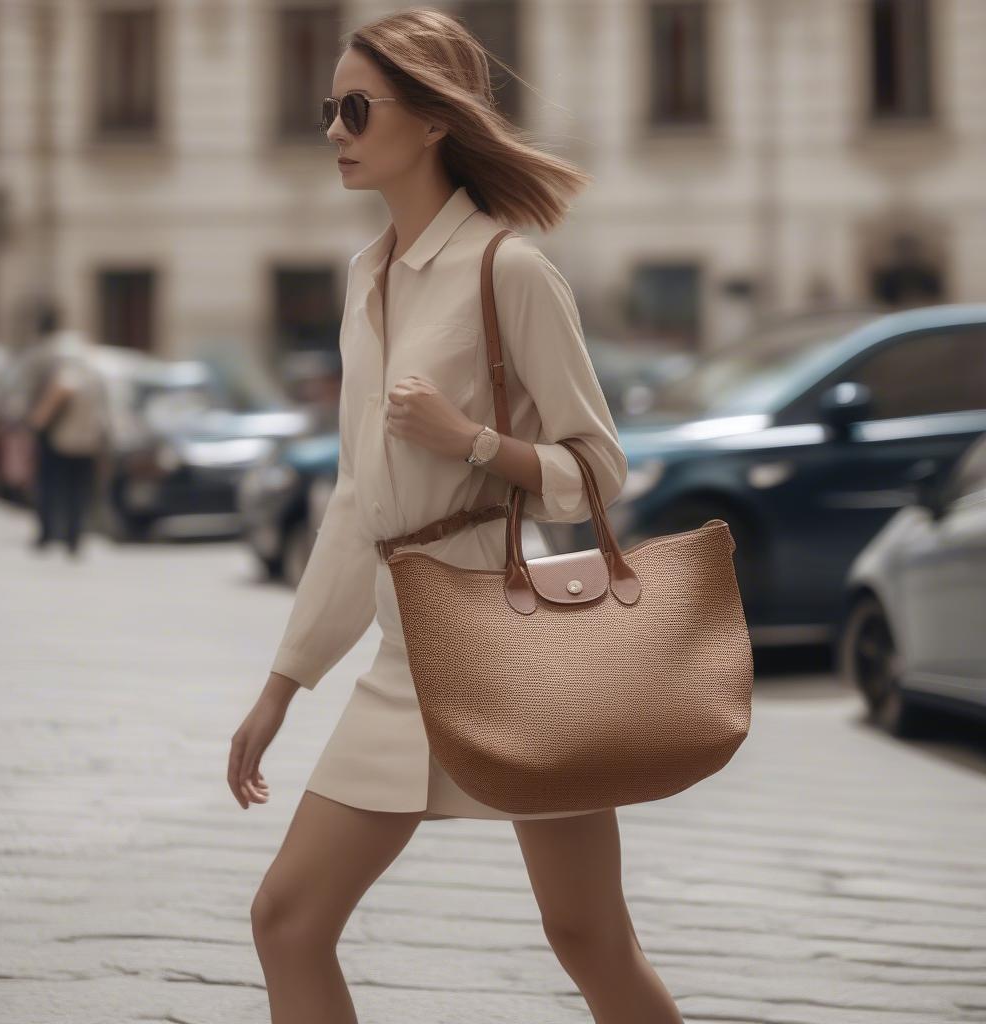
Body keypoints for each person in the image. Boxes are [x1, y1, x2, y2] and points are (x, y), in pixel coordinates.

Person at [229, 9, 684, 1023]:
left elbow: (600, 469)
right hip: (403, 657)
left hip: (509, 648)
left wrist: (466, 440)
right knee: (287, 919)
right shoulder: (366, 279)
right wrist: (281, 688)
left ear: (433, 121)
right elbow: (356, 506)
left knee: (588, 937)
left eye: (358, 108)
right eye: (328, 108)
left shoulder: (509, 270)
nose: (336, 130)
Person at [25, 325, 111, 557]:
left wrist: (35, 424)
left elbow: (49, 407)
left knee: (52, 488)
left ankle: (48, 534)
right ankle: (73, 537)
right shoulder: (95, 374)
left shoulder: (67, 374)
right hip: (87, 444)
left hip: (61, 443)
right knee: (78, 492)